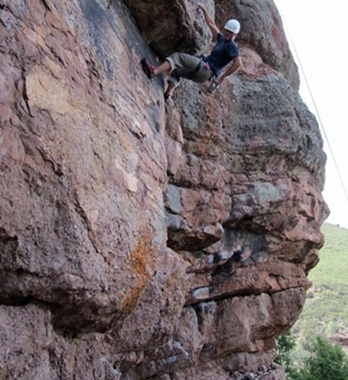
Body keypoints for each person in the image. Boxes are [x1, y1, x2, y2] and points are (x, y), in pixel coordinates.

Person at [141, 4, 242, 100]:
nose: (228, 34)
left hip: (206, 69)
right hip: (204, 73)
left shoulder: (231, 46)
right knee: (178, 71)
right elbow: (211, 24)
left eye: (231, 33)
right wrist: (204, 10)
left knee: (177, 57)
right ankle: (167, 94)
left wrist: (224, 76)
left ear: (235, 35)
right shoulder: (222, 39)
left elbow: (238, 63)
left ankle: (153, 71)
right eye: (227, 31)